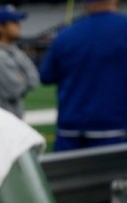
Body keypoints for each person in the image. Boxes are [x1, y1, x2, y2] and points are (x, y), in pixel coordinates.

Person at [39, 0, 127, 151]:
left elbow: (47, 76)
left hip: (71, 133)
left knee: (69, 175)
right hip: (116, 131)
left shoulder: (65, 36)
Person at [0, 5, 40, 118]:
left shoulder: (13, 50)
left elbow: (34, 79)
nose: (19, 25)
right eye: (14, 22)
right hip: (0, 122)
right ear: (0, 27)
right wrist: (24, 77)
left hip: (10, 119)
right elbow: (14, 90)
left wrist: (23, 77)